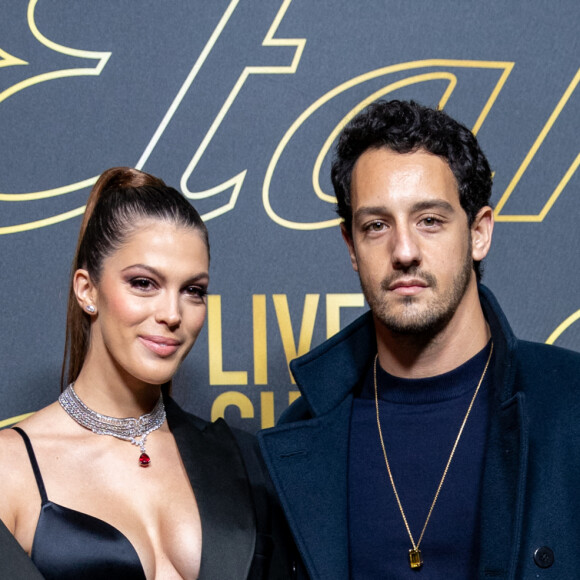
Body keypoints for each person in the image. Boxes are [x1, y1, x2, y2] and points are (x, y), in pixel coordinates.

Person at [258, 100, 580, 579]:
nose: (404, 251)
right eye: (376, 226)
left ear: (478, 232)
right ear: (351, 247)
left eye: (429, 220)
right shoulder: (306, 431)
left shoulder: (569, 402)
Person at [0, 167, 294, 579]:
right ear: (87, 290)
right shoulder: (8, 468)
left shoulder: (241, 459)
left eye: (193, 291)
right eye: (143, 283)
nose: (172, 315)